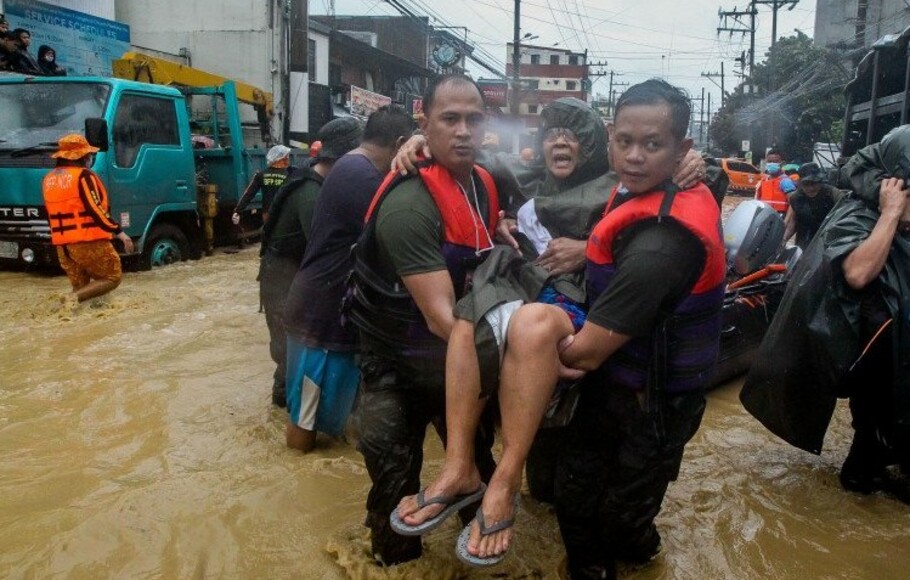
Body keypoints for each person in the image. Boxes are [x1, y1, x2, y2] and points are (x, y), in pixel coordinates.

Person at [552, 79, 726, 579]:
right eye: (624, 141)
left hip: (654, 404)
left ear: (682, 150)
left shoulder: (662, 246)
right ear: (608, 136)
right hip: (613, 385)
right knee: (571, 491)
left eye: (653, 145)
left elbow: (582, 354)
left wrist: (526, 337)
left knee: (620, 521)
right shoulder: (637, 189)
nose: (633, 157)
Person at [347, 74, 500, 566]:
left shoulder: (482, 183)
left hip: (456, 372)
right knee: (394, 488)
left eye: (473, 119)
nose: (462, 131)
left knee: (477, 470)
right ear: (424, 124)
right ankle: (397, 567)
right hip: (395, 370)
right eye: (448, 120)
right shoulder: (409, 205)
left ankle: (480, 561)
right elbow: (445, 321)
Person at [741, 124, 910, 500]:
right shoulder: (860, 215)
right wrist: (890, 215)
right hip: (876, 366)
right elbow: (858, 272)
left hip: (898, 364)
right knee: (869, 457)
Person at [282, 106, 413, 451]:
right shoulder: (365, 178)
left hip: (319, 305)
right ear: (400, 143)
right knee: (304, 419)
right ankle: (299, 481)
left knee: (323, 408)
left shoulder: (350, 166)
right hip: (320, 316)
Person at [258, 117, 362, 410]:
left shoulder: (320, 184)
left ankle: (289, 416)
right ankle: (287, 420)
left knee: (296, 356)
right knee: (290, 357)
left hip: (296, 281)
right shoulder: (311, 193)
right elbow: (326, 247)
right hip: (284, 283)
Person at [42, 134, 135, 307]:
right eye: (89, 155)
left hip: (63, 246)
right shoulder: (84, 176)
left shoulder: (49, 179)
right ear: (83, 157)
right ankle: (65, 302)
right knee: (111, 277)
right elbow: (95, 209)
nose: (90, 158)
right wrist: (120, 232)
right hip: (88, 240)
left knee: (83, 290)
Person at [783, 162, 845, 250]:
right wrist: (783, 240)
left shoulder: (833, 193)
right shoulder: (796, 198)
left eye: (814, 183)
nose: (811, 188)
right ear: (801, 184)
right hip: (805, 240)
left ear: (820, 182)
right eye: (806, 184)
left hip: (830, 240)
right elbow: (793, 222)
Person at [231, 144, 294, 225]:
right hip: (285, 214)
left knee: (268, 235)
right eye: (286, 156)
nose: (288, 159)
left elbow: (249, 194)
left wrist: (238, 211)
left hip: (267, 214)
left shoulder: (261, 175)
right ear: (281, 158)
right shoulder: (290, 175)